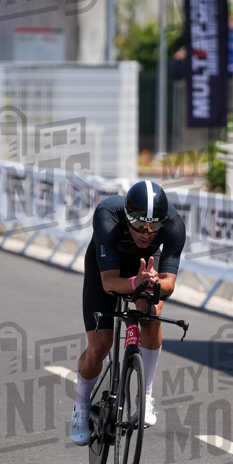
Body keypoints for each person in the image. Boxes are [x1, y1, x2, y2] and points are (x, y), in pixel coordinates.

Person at [70, 179, 186, 444]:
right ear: (127, 216)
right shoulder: (107, 215)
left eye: (154, 226)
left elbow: (169, 283)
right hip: (109, 270)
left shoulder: (174, 225)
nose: (146, 233)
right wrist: (136, 281)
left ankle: (145, 394)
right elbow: (109, 283)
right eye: (139, 226)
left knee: (151, 313)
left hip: (145, 271)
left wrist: (154, 282)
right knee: (99, 346)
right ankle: (81, 405)